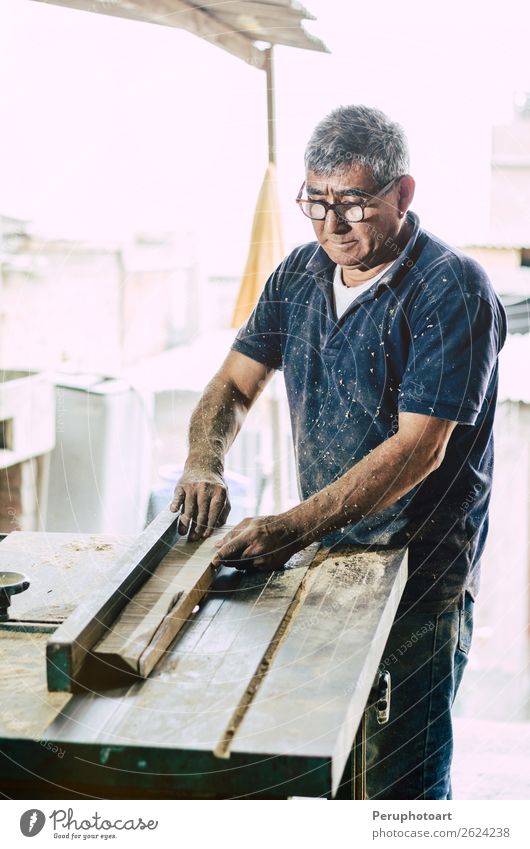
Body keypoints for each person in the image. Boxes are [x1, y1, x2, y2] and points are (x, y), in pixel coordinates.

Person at [170, 105, 507, 799]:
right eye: (316, 202)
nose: (332, 224)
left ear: (403, 194)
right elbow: (233, 385)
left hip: (418, 579)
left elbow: (419, 449)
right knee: (325, 768)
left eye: (353, 202)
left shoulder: (451, 286)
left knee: (398, 789)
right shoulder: (298, 274)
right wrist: (204, 458)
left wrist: (288, 527)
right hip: (326, 562)